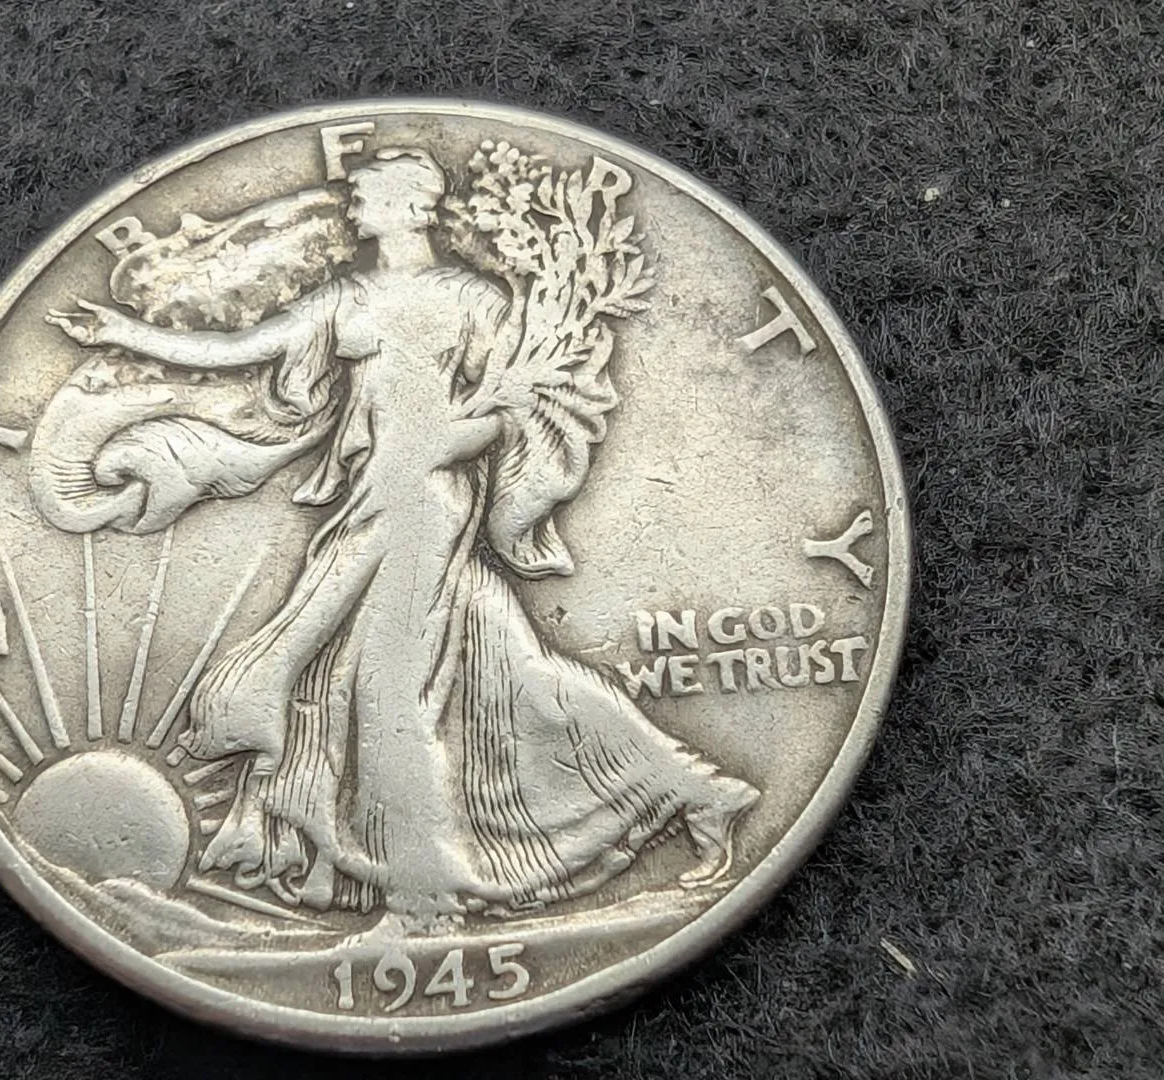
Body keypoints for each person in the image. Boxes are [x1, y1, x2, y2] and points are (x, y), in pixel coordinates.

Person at [48, 147, 758, 925]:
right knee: (510, 667)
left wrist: (451, 441)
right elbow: (237, 351)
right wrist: (123, 332)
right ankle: (699, 791)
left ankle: (425, 897)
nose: (354, 206)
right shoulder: (345, 298)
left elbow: (516, 404)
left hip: (428, 503)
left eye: (367, 195)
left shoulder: (474, 299)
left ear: (416, 205)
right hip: (371, 497)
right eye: (356, 195)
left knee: (388, 692)